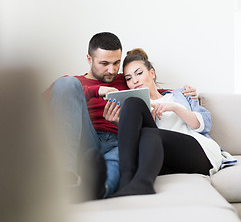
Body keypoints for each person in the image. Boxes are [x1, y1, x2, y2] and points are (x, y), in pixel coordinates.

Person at [48, 33, 198, 201]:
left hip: (120, 140)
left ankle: (97, 189)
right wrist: (96, 90)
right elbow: (39, 106)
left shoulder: (127, 79)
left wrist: (184, 93)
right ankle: (68, 178)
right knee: (67, 83)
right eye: (104, 63)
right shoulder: (73, 84)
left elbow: (154, 93)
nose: (111, 70)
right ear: (89, 59)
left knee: (119, 159)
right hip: (85, 138)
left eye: (116, 63)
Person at [104, 48, 236, 197]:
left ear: (152, 73)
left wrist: (173, 107)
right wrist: (119, 124)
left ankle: (142, 183)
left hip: (199, 153)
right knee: (133, 103)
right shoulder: (140, 109)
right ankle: (126, 180)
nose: (134, 80)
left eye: (139, 73)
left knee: (151, 134)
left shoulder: (180, 95)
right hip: (163, 157)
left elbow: (203, 124)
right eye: (128, 78)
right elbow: (137, 141)